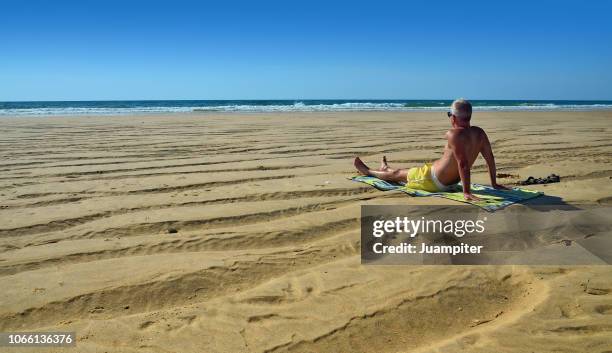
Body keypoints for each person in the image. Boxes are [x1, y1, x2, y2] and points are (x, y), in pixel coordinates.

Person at [353, 98, 508, 201]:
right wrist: (494, 183)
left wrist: (466, 192)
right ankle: (384, 168)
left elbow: (463, 164)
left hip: (433, 180)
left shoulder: (453, 134)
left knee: (397, 174)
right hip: (446, 180)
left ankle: (369, 172)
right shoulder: (479, 133)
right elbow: (490, 158)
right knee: (403, 172)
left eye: (449, 114)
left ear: (453, 117)